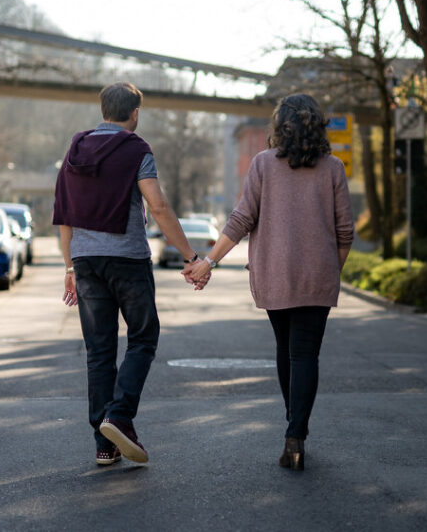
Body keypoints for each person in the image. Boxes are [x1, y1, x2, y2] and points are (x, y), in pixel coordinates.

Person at [183, 93, 354, 471]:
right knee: (305, 354)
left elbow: (242, 219)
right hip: (318, 277)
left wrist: (209, 261)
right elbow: (345, 232)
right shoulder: (333, 168)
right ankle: (296, 434)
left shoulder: (262, 164)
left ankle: (293, 427)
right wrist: (330, 270)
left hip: (274, 275)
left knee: (285, 350)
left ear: (280, 127)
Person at [54, 82, 204, 467]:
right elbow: (158, 204)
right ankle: (118, 416)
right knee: (143, 337)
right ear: (134, 114)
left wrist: (70, 266)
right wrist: (189, 255)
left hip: (86, 262)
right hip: (128, 261)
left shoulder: (74, 150)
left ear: (103, 110)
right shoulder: (137, 149)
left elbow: (63, 217)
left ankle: (105, 445)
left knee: (99, 351)